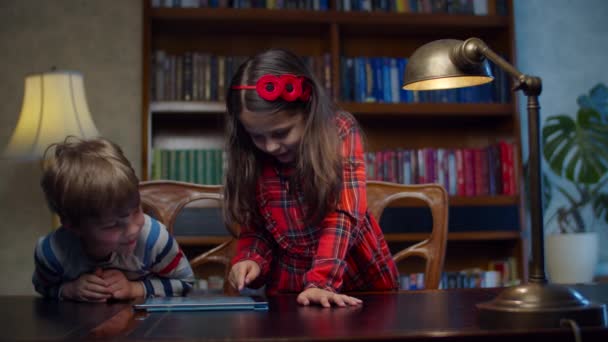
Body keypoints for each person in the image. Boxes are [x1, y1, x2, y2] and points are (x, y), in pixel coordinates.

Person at [224, 49, 399, 307]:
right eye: (258, 136)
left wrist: (321, 282)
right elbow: (257, 228)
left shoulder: (339, 130)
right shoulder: (252, 156)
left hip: (359, 283)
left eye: (282, 133)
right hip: (291, 290)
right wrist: (251, 258)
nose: (270, 147)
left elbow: (343, 215)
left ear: (308, 112)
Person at [33, 137, 194, 302]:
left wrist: (134, 288)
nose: (133, 229)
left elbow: (185, 281)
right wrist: (68, 290)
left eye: (137, 210)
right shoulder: (52, 253)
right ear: (73, 225)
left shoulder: (155, 239)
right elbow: (42, 287)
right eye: (112, 225)